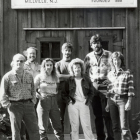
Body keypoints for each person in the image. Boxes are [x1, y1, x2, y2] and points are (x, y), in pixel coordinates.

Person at [0, 54, 40, 140]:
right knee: (16, 131)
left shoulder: (29, 75)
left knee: (34, 129)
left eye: (21, 61)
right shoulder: (7, 76)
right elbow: (2, 93)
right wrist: (7, 104)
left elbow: (33, 89)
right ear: (13, 63)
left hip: (29, 105)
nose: (19, 62)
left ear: (24, 63)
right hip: (15, 106)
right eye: (17, 61)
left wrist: (33, 100)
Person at [84, 34, 114, 140]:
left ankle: (111, 137)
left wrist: (110, 81)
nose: (96, 45)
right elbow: (85, 73)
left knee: (107, 114)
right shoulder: (88, 56)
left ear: (100, 43)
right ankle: (100, 137)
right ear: (91, 45)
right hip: (94, 87)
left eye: (97, 42)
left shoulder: (109, 55)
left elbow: (114, 69)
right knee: (97, 115)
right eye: (93, 43)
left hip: (105, 86)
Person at [63, 58, 95, 140]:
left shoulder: (86, 79)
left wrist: (88, 101)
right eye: (75, 67)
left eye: (78, 67)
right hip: (73, 104)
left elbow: (91, 92)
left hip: (84, 103)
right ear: (72, 69)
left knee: (87, 125)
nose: (77, 69)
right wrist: (69, 101)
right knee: (74, 126)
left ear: (81, 68)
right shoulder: (69, 80)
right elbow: (64, 93)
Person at [106, 52, 134, 140]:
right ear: (112, 61)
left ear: (121, 61)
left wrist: (129, 102)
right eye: (114, 59)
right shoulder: (110, 74)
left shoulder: (127, 73)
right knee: (115, 127)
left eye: (118, 59)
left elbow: (131, 89)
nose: (116, 61)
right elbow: (108, 90)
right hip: (111, 100)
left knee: (124, 127)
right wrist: (107, 104)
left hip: (122, 100)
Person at [34, 58, 64, 140]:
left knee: (57, 124)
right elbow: (32, 89)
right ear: (44, 66)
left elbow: (58, 88)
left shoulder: (55, 76)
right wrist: (37, 95)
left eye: (51, 65)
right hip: (44, 101)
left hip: (54, 101)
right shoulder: (39, 77)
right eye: (47, 65)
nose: (49, 67)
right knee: (43, 126)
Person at [55, 42, 73, 134]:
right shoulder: (57, 64)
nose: (67, 52)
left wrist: (64, 76)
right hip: (60, 94)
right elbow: (58, 77)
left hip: (72, 94)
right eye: (66, 50)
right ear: (62, 51)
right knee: (60, 118)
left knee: (73, 119)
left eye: (69, 51)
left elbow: (79, 76)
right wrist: (71, 76)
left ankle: (72, 137)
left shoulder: (74, 63)